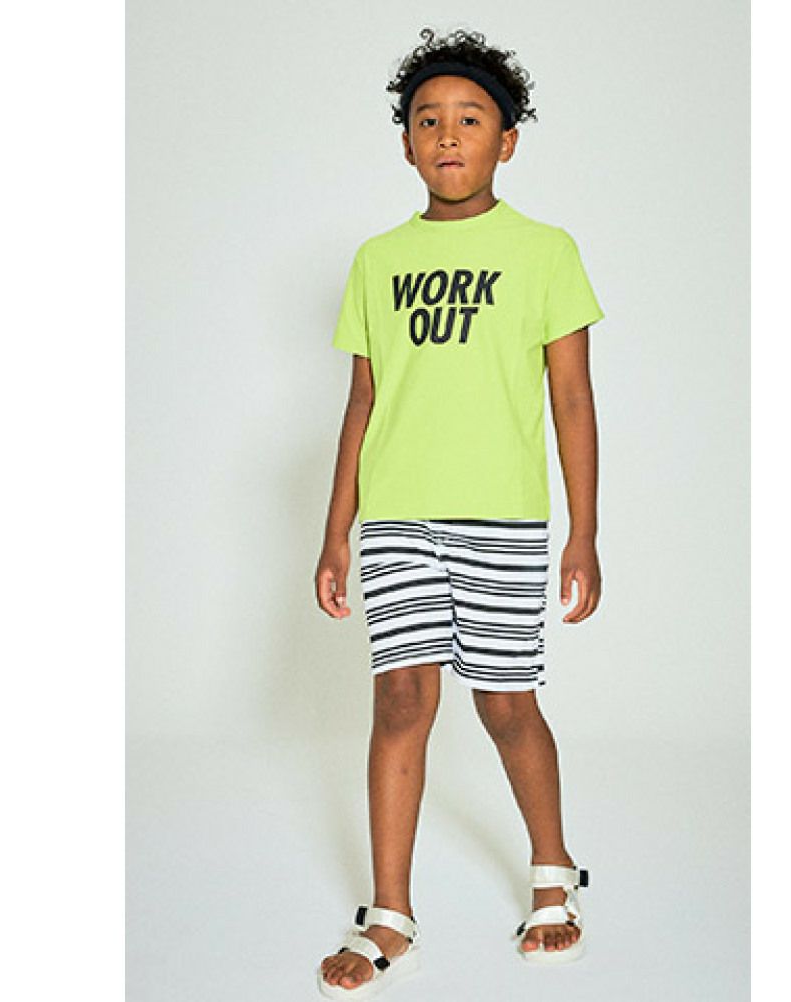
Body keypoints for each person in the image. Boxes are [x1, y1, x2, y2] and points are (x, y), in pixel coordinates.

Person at [315, 25, 605, 997]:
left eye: (470, 119)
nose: (448, 134)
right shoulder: (377, 260)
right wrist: (335, 530)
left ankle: (553, 872)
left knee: (505, 703)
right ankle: (390, 915)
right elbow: (362, 401)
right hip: (397, 516)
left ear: (506, 141)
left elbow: (573, 399)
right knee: (400, 700)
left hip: (501, 520)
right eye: (427, 120)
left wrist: (584, 532)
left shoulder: (545, 252)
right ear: (405, 144)